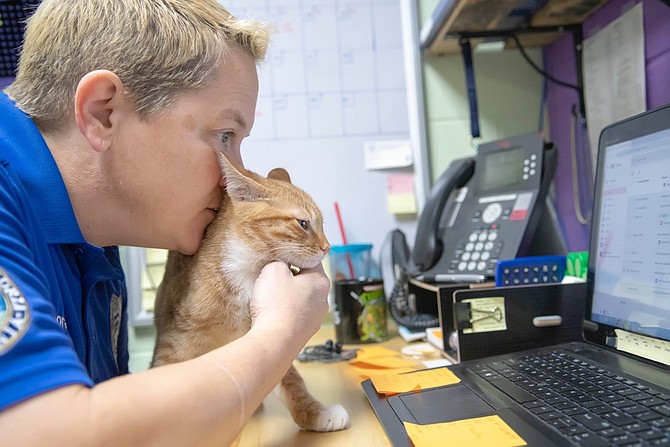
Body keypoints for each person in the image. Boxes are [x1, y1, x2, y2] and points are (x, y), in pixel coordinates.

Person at [0, 1, 331, 445]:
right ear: (103, 113)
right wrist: (281, 329)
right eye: (225, 137)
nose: (234, 174)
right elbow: (50, 433)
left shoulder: (95, 235)